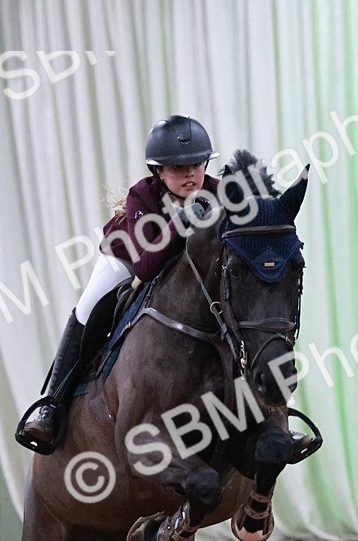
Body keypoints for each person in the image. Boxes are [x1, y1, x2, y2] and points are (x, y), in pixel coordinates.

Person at [16, 115, 220, 454]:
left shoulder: (216, 191)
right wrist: (179, 220)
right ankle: (52, 404)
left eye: (197, 164)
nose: (191, 175)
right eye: (178, 168)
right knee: (89, 305)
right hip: (128, 259)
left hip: (187, 271)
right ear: (158, 172)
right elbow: (146, 263)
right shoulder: (142, 196)